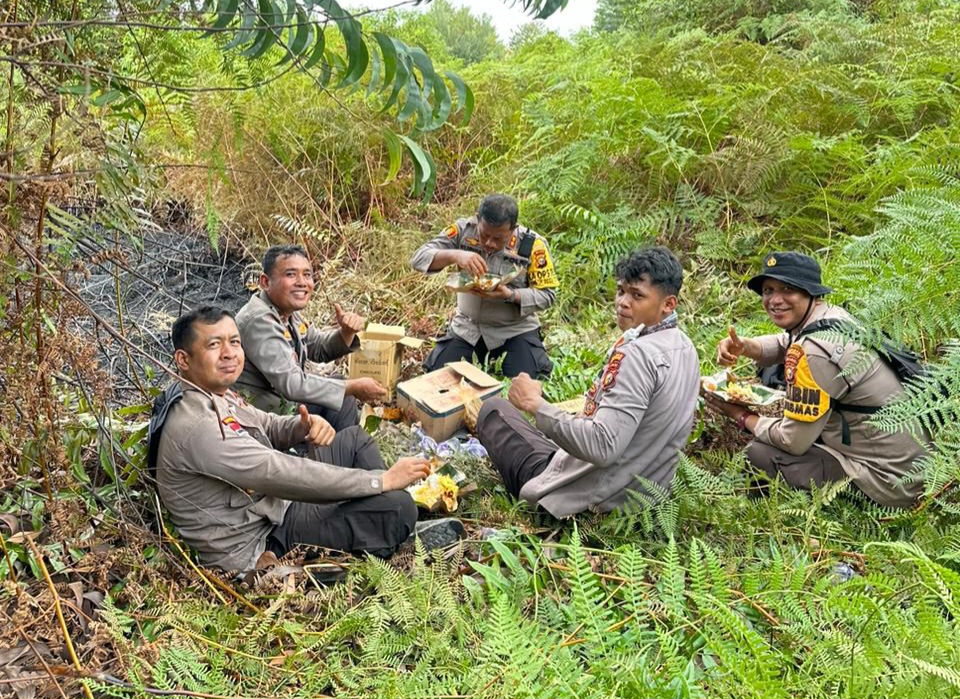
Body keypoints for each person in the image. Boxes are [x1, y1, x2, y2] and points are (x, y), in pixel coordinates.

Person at [149, 306, 463, 572]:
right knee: (398, 506)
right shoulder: (197, 425)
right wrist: (380, 481)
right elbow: (279, 472)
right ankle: (395, 531)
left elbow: (267, 424)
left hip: (272, 506)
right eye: (214, 345)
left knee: (354, 439)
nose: (230, 353)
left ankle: (380, 522)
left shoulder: (212, 392)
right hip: (263, 536)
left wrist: (302, 426)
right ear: (183, 359)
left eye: (234, 341)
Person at [474, 247, 700, 516]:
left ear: (668, 304)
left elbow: (602, 446)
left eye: (637, 295)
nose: (623, 302)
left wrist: (536, 405)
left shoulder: (637, 355)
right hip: (645, 497)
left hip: (592, 498)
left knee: (494, 411)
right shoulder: (686, 347)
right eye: (621, 291)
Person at [704, 251, 929, 508]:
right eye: (768, 290)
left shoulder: (814, 352)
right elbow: (785, 343)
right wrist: (745, 346)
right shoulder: (833, 317)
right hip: (916, 466)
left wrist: (740, 416)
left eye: (787, 289)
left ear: (810, 291)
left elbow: (793, 441)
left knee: (758, 453)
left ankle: (766, 511)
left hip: (888, 484)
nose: (775, 300)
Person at [234, 244, 387, 431]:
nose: (302, 282)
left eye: (307, 274)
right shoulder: (259, 320)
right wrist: (352, 387)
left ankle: (344, 448)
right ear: (265, 282)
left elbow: (318, 348)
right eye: (290, 274)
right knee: (342, 393)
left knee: (339, 388)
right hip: (262, 413)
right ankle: (342, 451)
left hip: (282, 402)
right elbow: (291, 383)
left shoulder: (286, 310)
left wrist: (346, 332)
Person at [411, 194, 558, 378]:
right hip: (468, 327)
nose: (489, 243)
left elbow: (548, 295)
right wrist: (456, 255)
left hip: (514, 330)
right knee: (436, 379)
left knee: (525, 385)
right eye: (485, 235)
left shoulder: (532, 245)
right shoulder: (463, 230)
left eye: (498, 239)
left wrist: (509, 295)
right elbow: (418, 258)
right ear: (478, 219)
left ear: (513, 229)